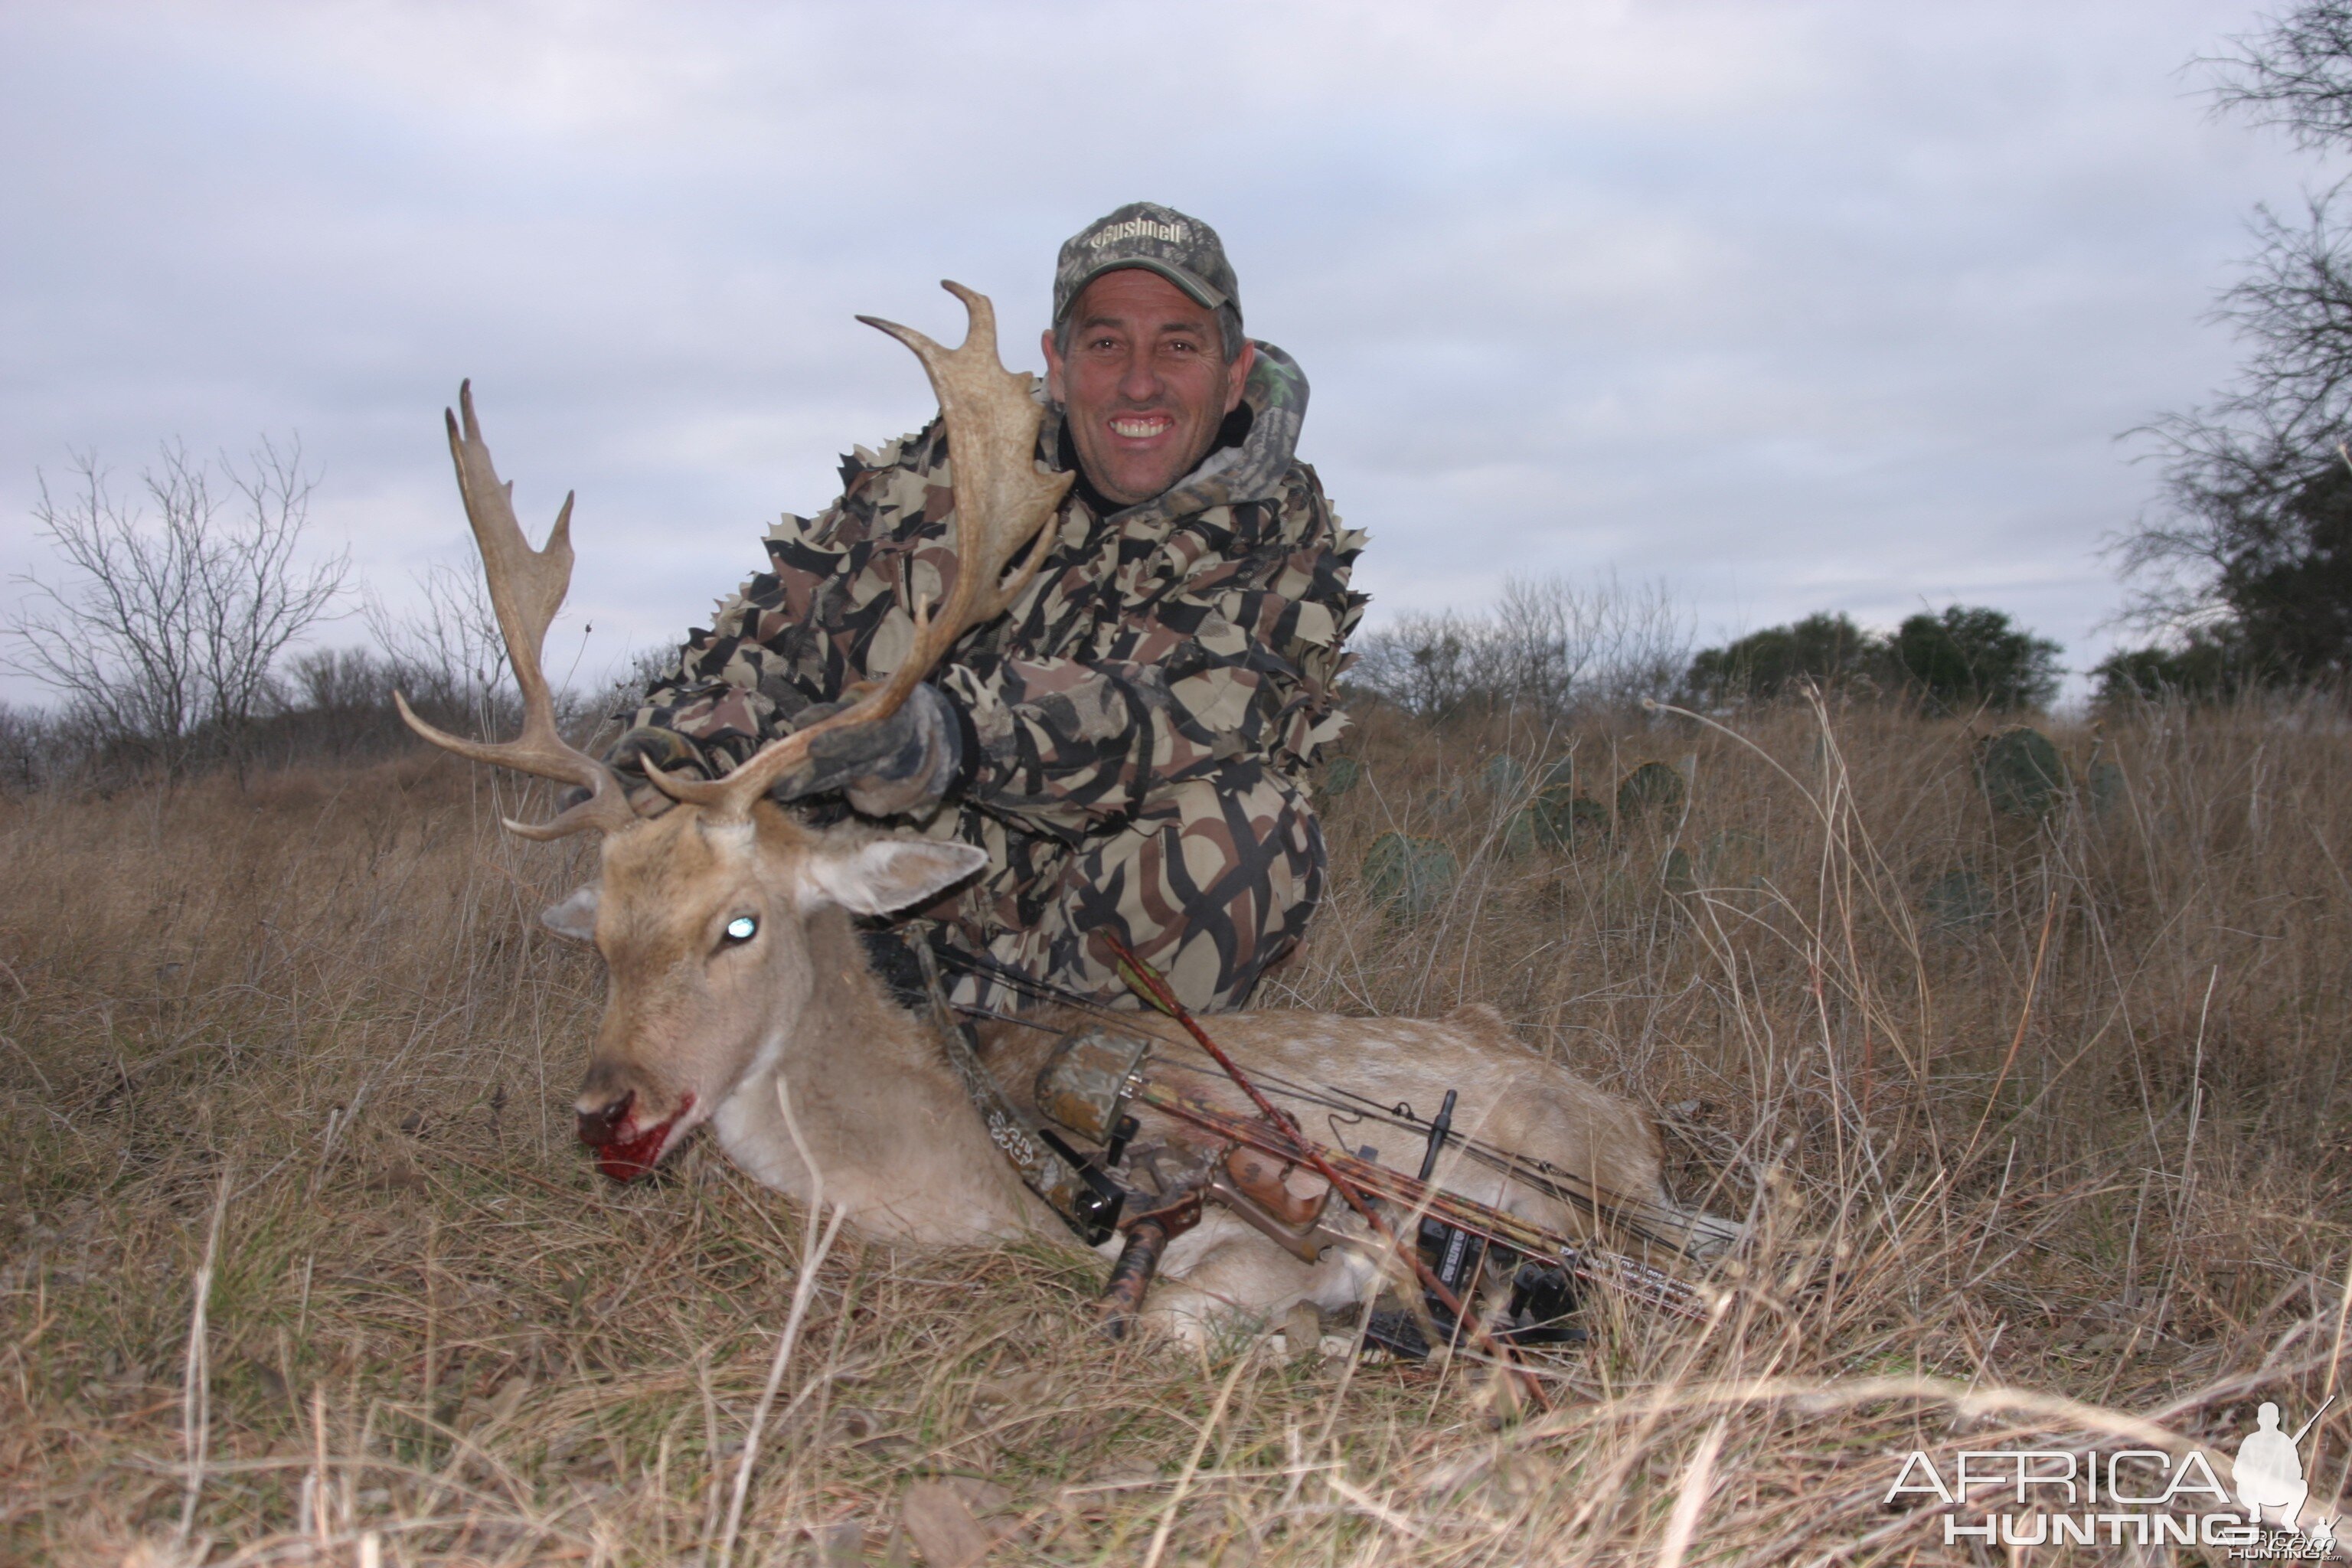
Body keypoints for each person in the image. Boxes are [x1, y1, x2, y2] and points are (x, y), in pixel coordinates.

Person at [609, 202, 1365, 1015]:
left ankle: (1058, 1093)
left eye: (1178, 345)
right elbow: (753, 649)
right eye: (1106, 343)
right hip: (844, 921)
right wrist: (678, 750)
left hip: (1052, 965)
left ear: (1236, 370)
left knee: (1253, 829)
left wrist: (948, 738)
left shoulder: (1282, 533)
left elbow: (1184, 718)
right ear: (1058, 361)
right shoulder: (930, 479)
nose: (1139, 381)